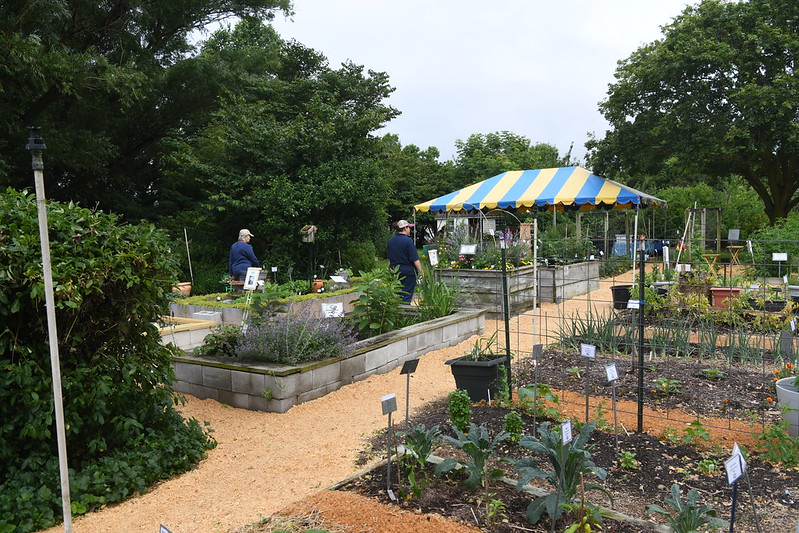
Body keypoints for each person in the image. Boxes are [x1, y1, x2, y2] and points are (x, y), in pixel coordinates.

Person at [387, 219, 423, 303]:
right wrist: (421, 271)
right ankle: (406, 313)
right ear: (405, 228)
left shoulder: (391, 241)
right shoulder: (408, 241)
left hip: (395, 271)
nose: (410, 229)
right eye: (409, 227)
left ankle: (398, 313)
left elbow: (389, 258)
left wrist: (390, 270)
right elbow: (415, 259)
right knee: (406, 295)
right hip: (408, 272)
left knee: (398, 294)